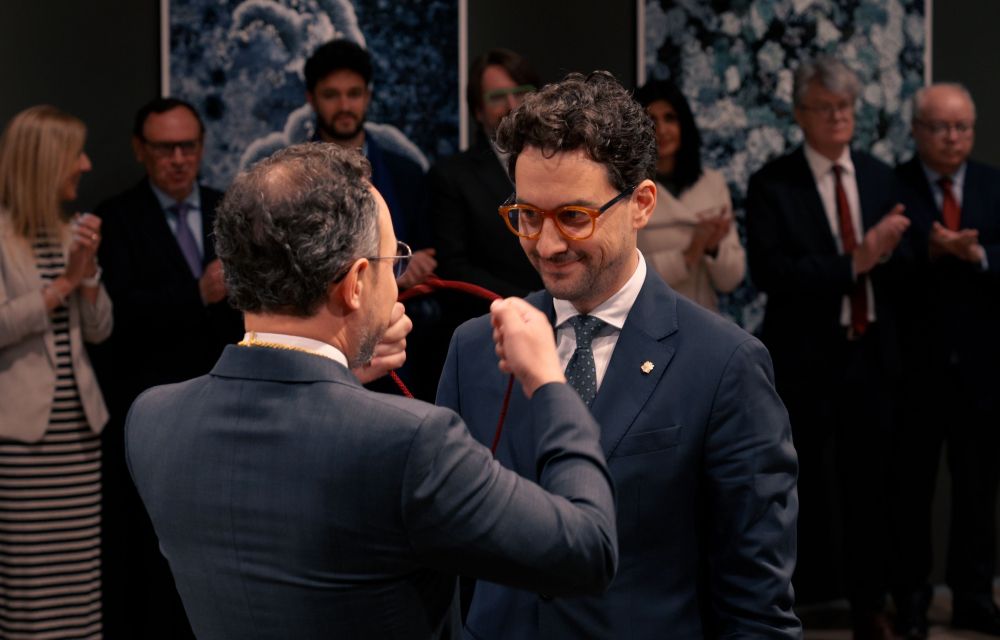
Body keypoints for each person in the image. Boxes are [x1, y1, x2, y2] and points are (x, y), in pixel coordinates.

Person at [124, 142, 618, 639]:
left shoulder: (152, 418)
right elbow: (587, 551)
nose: (396, 281)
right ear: (357, 282)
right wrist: (549, 382)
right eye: (392, 260)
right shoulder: (412, 442)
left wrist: (338, 376)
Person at [438, 71, 800, 639]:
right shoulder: (474, 349)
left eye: (574, 217)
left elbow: (755, 604)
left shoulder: (724, 365)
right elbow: (446, 557)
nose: (547, 244)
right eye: (528, 216)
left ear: (641, 204)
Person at [745, 56, 911, 639]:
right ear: (799, 114)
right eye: (825, 108)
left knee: (872, 489)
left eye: (846, 107)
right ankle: (791, 606)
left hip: (872, 356)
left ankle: (870, 606)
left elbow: (902, 270)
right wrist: (855, 260)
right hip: (805, 359)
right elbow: (773, 273)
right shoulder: (773, 183)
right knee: (799, 488)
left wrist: (905, 250)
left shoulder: (881, 176)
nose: (839, 117)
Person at [94, 97, 242, 638]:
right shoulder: (113, 218)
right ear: (141, 150)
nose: (178, 159)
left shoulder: (232, 209)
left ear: (201, 147)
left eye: (188, 146)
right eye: (164, 148)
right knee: (150, 558)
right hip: (147, 410)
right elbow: (112, 319)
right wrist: (195, 294)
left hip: (227, 408)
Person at [890, 83, 1000, 639]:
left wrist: (978, 254)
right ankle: (911, 600)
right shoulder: (892, 186)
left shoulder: (992, 184)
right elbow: (880, 267)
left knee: (979, 491)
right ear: (917, 130)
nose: (952, 137)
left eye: (962, 127)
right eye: (939, 127)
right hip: (913, 369)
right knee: (910, 491)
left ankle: (974, 597)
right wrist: (928, 251)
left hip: (982, 369)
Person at [0, 105, 112, 639]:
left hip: (79, 436)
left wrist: (86, 278)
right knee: (30, 591)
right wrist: (62, 284)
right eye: (76, 154)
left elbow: (100, 330)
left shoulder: (74, 233)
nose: (86, 165)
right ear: (46, 161)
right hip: (22, 444)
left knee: (78, 587)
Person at [305, 38, 436, 289]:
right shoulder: (293, 177)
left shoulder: (407, 174)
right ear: (311, 99)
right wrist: (394, 268)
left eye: (354, 94)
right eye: (331, 95)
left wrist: (414, 267)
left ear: (367, 96)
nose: (344, 106)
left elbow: (426, 258)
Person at [429, 48, 543, 297]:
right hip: (495, 313)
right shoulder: (450, 177)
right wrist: (528, 303)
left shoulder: (562, 166)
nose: (512, 105)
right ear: (478, 111)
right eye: (498, 97)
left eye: (521, 93)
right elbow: (453, 269)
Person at [634, 79, 745, 313]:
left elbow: (731, 279)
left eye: (670, 118)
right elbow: (625, 277)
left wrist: (713, 248)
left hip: (703, 321)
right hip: (647, 318)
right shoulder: (627, 190)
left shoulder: (712, 183)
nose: (662, 130)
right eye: (651, 121)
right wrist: (689, 254)